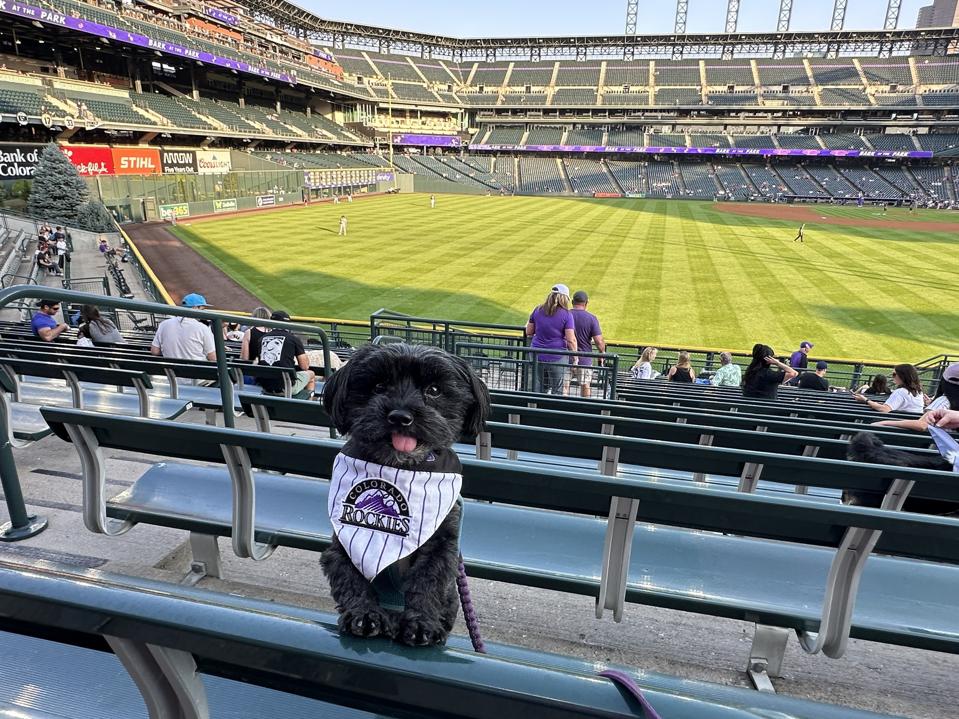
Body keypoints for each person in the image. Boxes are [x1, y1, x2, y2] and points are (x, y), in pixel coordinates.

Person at [250, 310, 315, 399]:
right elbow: (305, 367)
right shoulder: (293, 339)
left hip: (265, 386)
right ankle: (308, 404)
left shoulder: (262, 339)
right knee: (311, 374)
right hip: (286, 388)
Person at [526, 284, 576, 395]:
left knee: (537, 387)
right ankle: (551, 411)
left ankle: (534, 410)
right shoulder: (567, 315)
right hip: (557, 356)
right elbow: (571, 339)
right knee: (557, 390)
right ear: (564, 298)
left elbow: (529, 331)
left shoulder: (537, 310)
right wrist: (575, 357)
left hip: (536, 354)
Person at [151, 293, 216, 362]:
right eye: (202, 309)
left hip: (170, 371)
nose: (203, 312)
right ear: (195, 308)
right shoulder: (203, 328)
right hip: (197, 371)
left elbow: (155, 351)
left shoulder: (164, 324)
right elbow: (213, 358)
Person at [569, 290, 605, 398]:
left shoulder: (565, 315)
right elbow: (599, 341)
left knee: (564, 386)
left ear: (572, 302)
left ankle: (562, 410)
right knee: (585, 386)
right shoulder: (591, 318)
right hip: (585, 358)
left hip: (566, 357)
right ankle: (585, 410)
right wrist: (602, 352)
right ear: (586, 303)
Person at [853, 363, 924, 414]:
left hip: (899, 427)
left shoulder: (901, 392)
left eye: (894, 374)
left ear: (902, 376)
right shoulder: (919, 392)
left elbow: (884, 409)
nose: (892, 377)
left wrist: (866, 400)